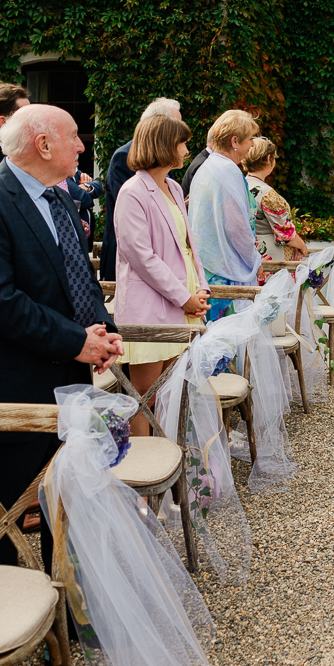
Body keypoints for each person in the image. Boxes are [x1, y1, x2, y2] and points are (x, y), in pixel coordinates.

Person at [0, 104, 124, 594]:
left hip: (65, 380)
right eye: (73, 136)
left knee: (65, 507)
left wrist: (101, 328)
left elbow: (76, 278)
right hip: (5, 385)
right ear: (44, 145)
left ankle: (62, 617)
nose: (82, 146)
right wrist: (77, 341)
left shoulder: (62, 199)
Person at [111, 113, 211, 432]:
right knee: (145, 394)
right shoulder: (132, 191)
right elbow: (142, 256)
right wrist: (185, 298)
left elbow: (189, 243)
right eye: (182, 143)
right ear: (165, 145)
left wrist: (202, 287)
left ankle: (171, 456)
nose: (186, 150)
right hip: (150, 304)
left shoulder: (170, 184)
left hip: (184, 299)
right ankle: (144, 465)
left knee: (172, 390)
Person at [187, 109, 262, 320]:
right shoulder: (227, 171)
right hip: (225, 275)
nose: (254, 144)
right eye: (250, 139)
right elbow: (236, 227)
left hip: (208, 270)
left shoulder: (209, 166)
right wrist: (255, 260)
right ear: (235, 141)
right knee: (229, 345)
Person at [101, 97, 181, 279]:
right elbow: (136, 210)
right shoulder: (125, 156)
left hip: (162, 258)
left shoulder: (166, 161)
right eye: (176, 125)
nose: (181, 132)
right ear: (157, 126)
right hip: (133, 261)